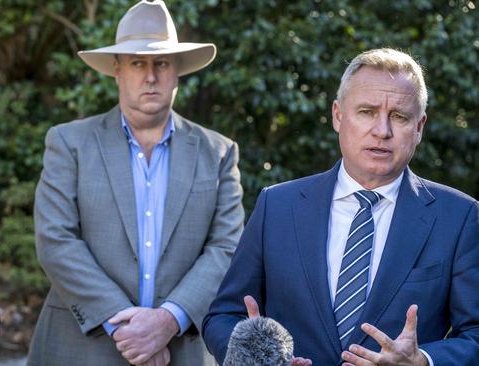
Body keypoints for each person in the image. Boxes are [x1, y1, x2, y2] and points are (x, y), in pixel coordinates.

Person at [203, 48, 479, 366]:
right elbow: (223, 316)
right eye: (366, 112)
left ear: (419, 127)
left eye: (399, 117)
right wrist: (254, 358)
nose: (382, 130)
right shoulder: (276, 206)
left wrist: (424, 361)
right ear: (338, 116)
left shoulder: (458, 217)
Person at [26, 1, 244, 365]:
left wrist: (167, 321)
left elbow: (227, 247)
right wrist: (127, 326)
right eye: (137, 63)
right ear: (117, 70)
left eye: (161, 63)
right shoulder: (70, 143)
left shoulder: (218, 152)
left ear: (177, 71)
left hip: (180, 350)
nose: (151, 76)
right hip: (82, 348)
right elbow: (55, 240)